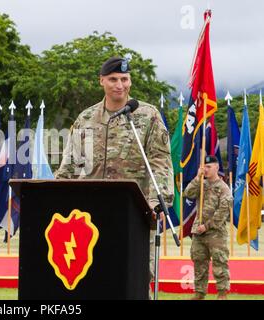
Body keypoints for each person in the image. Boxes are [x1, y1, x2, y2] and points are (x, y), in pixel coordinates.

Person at [54, 56, 174, 298]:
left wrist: (157, 202)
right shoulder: (86, 119)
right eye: (113, 79)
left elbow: (160, 162)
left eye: (124, 79)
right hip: (90, 216)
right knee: (93, 279)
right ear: (102, 81)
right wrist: (52, 199)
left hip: (136, 215)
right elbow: (69, 166)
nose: (120, 85)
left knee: (136, 281)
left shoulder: (147, 116)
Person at [183, 155, 232, 300]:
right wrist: (198, 177)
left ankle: (222, 293)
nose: (206, 169)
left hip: (215, 232)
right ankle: (199, 293)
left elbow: (223, 210)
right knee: (199, 262)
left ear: (217, 167)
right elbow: (188, 193)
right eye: (204, 166)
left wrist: (207, 226)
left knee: (219, 262)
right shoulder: (201, 184)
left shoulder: (223, 187)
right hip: (199, 232)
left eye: (209, 167)